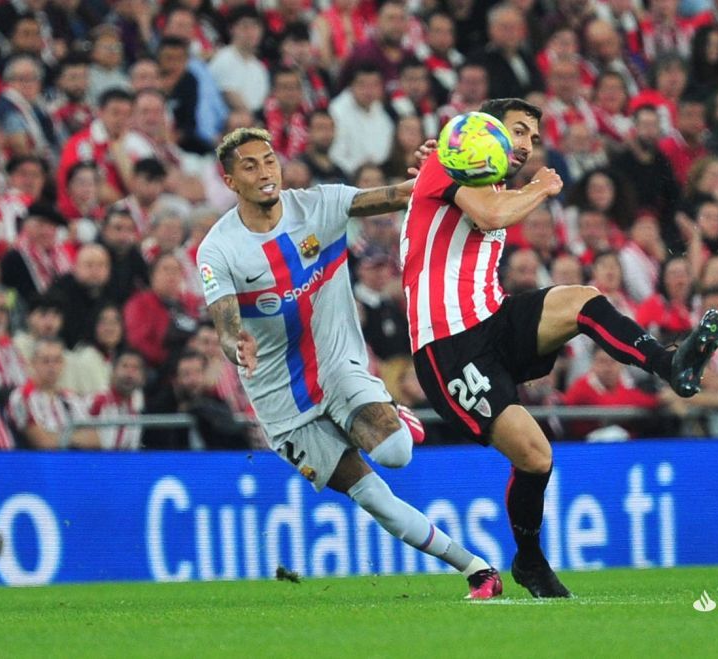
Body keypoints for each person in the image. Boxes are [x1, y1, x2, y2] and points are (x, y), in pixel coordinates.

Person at [402, 97, 718, 598]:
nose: (527, 145)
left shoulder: (484, 182)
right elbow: (489, 215)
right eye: (518, 131)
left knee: (584, 299)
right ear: (484, 131)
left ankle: (671, 363)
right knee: (535, 456)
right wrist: (541, 187)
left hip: (493, 318)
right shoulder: (451, 160)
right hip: (448, 346)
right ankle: (529, 562)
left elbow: (486, 210)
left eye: (532, 137)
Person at [196, 126, 501, 599]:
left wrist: (441, 169)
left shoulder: (321, 205)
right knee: (373, 497)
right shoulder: (218, 249)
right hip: (281, 401)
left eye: (269, 159)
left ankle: (395, 416)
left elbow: (399, 195)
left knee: (396, 455)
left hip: (339, 367)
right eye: (250, 165)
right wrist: (236, 343)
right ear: (230, 181)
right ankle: (476, 569)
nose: (265, 172)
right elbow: (225, 322)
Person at [88, 349, 146, 450]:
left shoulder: (137, 408)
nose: (129, 373)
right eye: (125, 366)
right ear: (113, 371)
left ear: (142, 377)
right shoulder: (97, 401)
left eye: (135, 368)